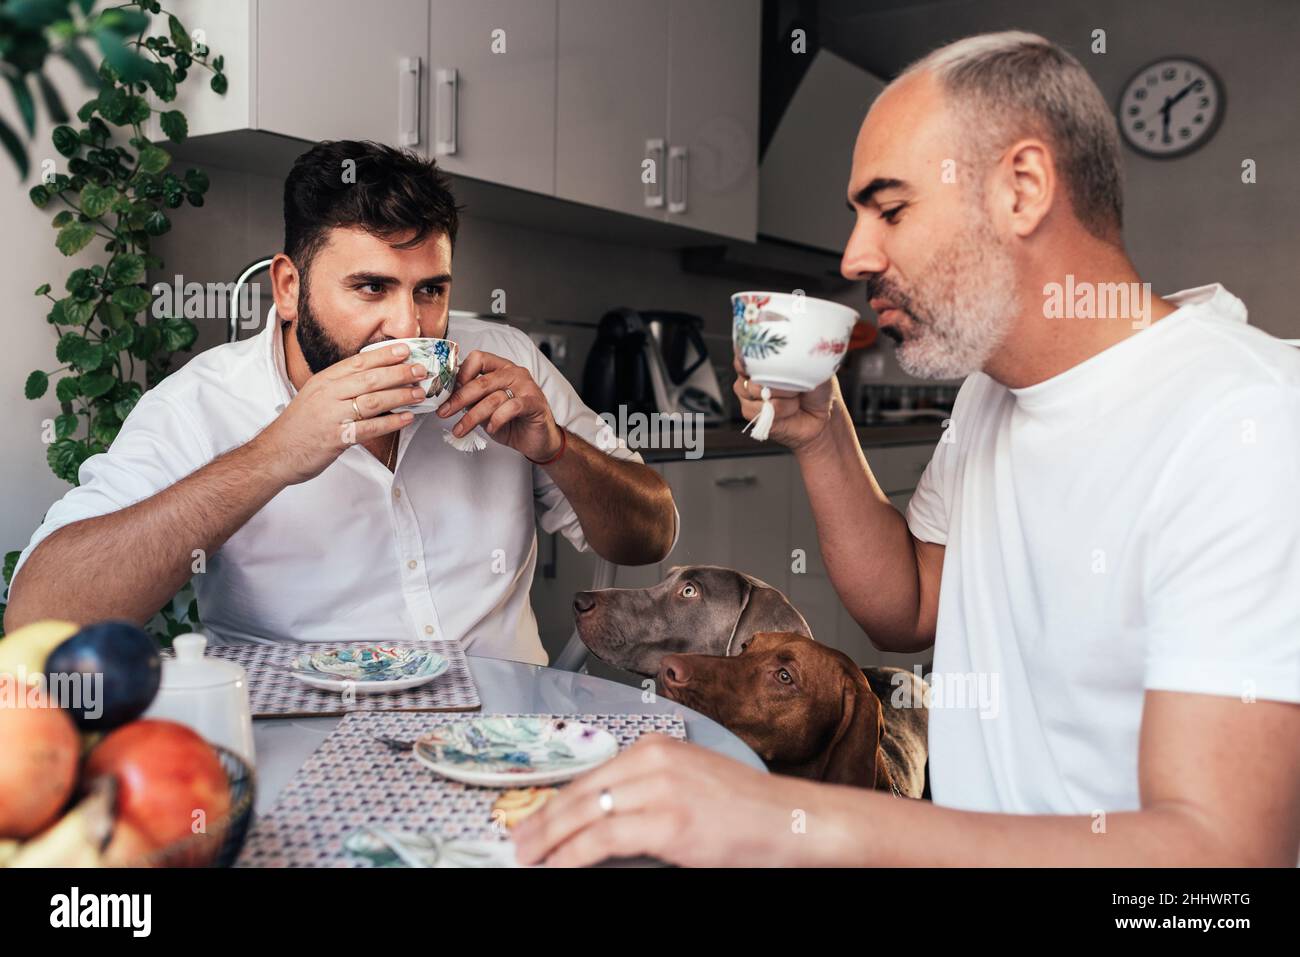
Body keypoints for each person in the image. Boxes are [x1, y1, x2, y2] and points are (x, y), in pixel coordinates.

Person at [513, 31, 1300, 865]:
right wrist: (821, 437)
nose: (856, 255)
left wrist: (788, 820)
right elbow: (909, 608)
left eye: (890, 209)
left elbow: (1221, 863)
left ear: (1023, 189)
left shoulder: (1244, 423)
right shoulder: (992, 392)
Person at [5, 141, 676, 664]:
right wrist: (273, 455)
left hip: (504, 737)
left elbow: (649, 536)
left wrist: (557, 448)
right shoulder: (200, 405)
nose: (409, 328)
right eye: (370, 288)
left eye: (430, 291)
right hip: (305, 751)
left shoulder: (505, 359)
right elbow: (41, 618)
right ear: (289, 287)